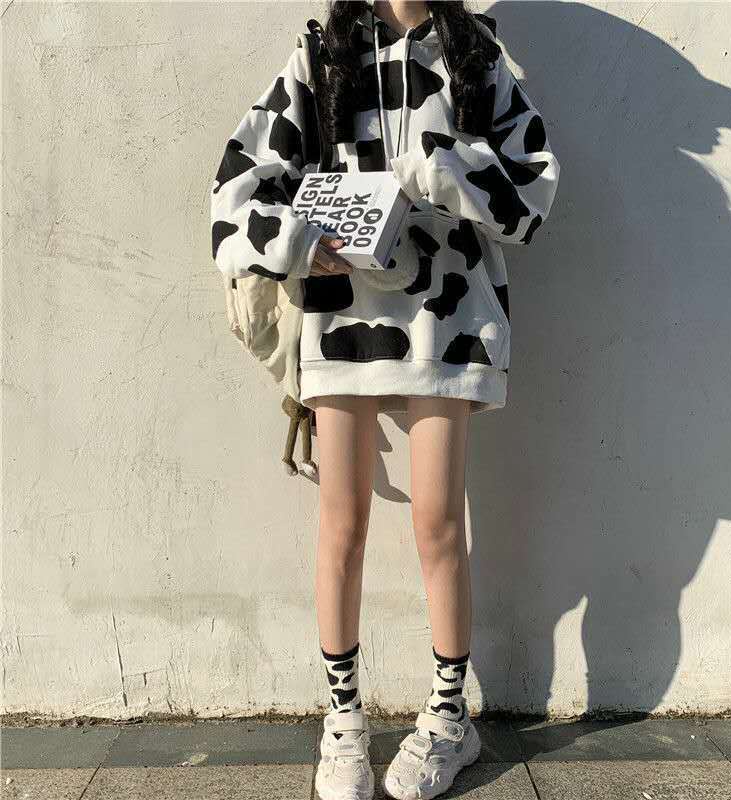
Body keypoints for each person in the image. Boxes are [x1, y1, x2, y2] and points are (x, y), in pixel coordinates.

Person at [210, 1, 560, 798]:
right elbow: (235, 186)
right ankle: (342, 722)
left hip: (447, 316)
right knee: (342, 521)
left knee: (438, 521)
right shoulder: (322, 53)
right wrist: (298, 243)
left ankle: (449, 718)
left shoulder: (475, 56)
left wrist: (446, 167)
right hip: (342, 318)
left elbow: (534, 194)